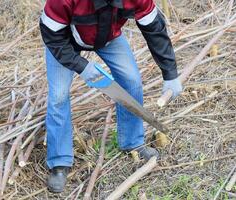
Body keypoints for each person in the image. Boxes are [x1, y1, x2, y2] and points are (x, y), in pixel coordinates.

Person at [39, 0, 182, 193]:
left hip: (108, 38)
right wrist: (81, 65)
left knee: (131, 80)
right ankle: (59, 163)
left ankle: (132, 143)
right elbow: (52, 36)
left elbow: (154, 29)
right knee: (58, 96)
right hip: (64, 42)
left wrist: (170, 73)